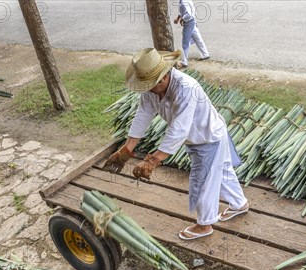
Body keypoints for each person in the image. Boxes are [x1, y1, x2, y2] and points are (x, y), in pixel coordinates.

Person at [102, 48, 248, 241]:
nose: (148, 90)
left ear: (163, 78)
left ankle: (205, 225)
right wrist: (127, 148)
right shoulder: (151, 90)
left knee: (202, 181)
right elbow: (143, 114)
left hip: (208, 137)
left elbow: (180, 128)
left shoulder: (187, 88)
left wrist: (153, 161)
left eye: (151, 85)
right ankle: (240, 204)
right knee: (222, 171)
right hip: (198, 137)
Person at [174, 0, 209, 68]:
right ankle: (205, 54)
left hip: (189, 22)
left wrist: (182, 19)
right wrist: (178, 18)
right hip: (192, 21)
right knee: (198, 38)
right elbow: (183, 11)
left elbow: (188, 14)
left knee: (185, 42)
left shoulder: (184, 2)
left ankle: (184, 62)